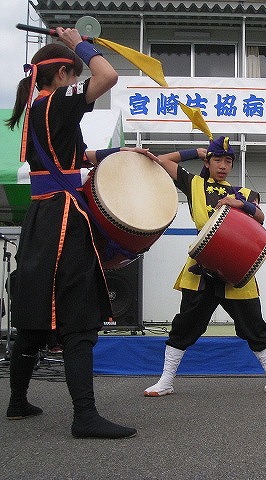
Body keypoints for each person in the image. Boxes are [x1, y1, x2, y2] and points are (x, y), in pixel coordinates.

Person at [5, 28, 144, 438]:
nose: (77, 79)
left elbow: (79, 157)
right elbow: (107, 77)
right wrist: (79, 42)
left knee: (34, 316)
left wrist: (122, 152)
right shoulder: (58, 103)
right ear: (63, 73)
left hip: (38, 221)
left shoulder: (36, 110)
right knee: (78, 319)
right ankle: (84, 417)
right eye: (72, 71)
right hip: (64, 221)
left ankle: (16, 402)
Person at [143, 136, 266, 397]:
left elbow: (260, 216)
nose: (223, 165)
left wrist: (239, 204)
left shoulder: (244, 192)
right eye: (217, 159)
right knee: (185, 324)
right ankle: (166, 381)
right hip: (201, 267)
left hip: (238, 267)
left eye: (228, 160)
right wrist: (196, 150)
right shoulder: (194, 183)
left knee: (254, 324)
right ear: (208, 161)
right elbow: (162, 161)